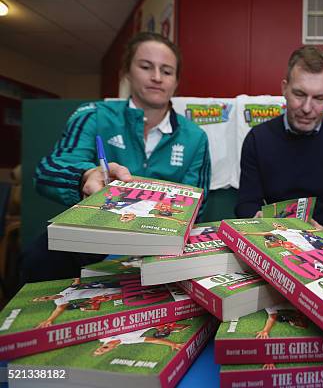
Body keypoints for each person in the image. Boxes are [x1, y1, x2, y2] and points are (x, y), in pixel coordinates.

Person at [21, 32, 211, 283]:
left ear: (176, 81)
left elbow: (197, 202)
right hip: (92, 240)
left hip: (160, 244)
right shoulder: (94, 115)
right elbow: (48, 171)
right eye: (145, 67)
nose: (156, 77)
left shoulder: (195, 137)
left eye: (166, 71)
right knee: (37, 258)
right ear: (127, 73)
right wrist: (86, 176)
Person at [235, 46, 323, 238]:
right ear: (284, 88)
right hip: (272, 237)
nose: (307, 108)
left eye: (319, 98)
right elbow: (245, 203)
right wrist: (257, 219)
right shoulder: (257, 139)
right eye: (299, 94)